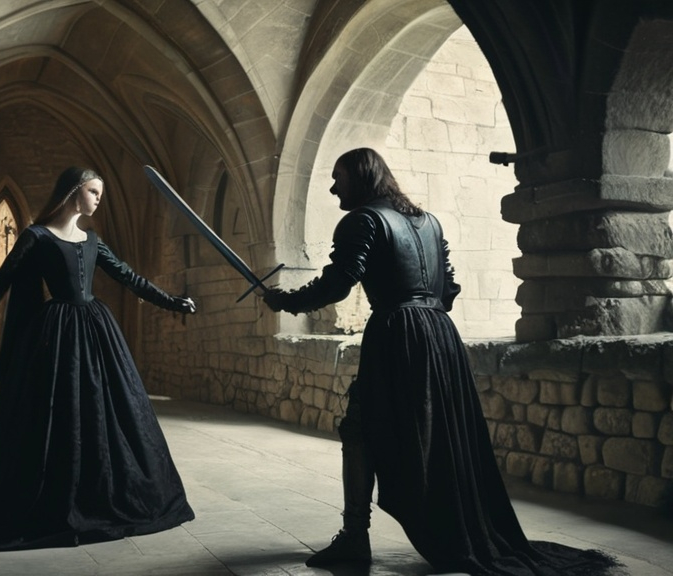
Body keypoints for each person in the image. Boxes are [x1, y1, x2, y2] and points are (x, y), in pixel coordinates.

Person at [262, 148, 620, 575]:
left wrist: (286, 301)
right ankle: (388, 529)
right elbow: (448, 289)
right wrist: (423, 311)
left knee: (360, 427)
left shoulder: (362, 220)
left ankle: (354, 536)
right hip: (439, 334)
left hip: (397, 334)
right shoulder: (428, 222)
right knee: (432, 431)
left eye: (339, 178)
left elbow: (339, 283)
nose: (333, 186)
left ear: (360, 178)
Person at [0, 166, 197, 552]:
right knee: (53, 418)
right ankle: (51, 496)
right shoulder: (35, 237)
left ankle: (95, 494)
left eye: (99, 193)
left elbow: (129, 277)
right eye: (93, 192)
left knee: (107, 416)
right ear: (74, 192)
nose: (97, 199)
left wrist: (172, 302)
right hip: (55, 337)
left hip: (96, 333)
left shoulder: (92, 241)